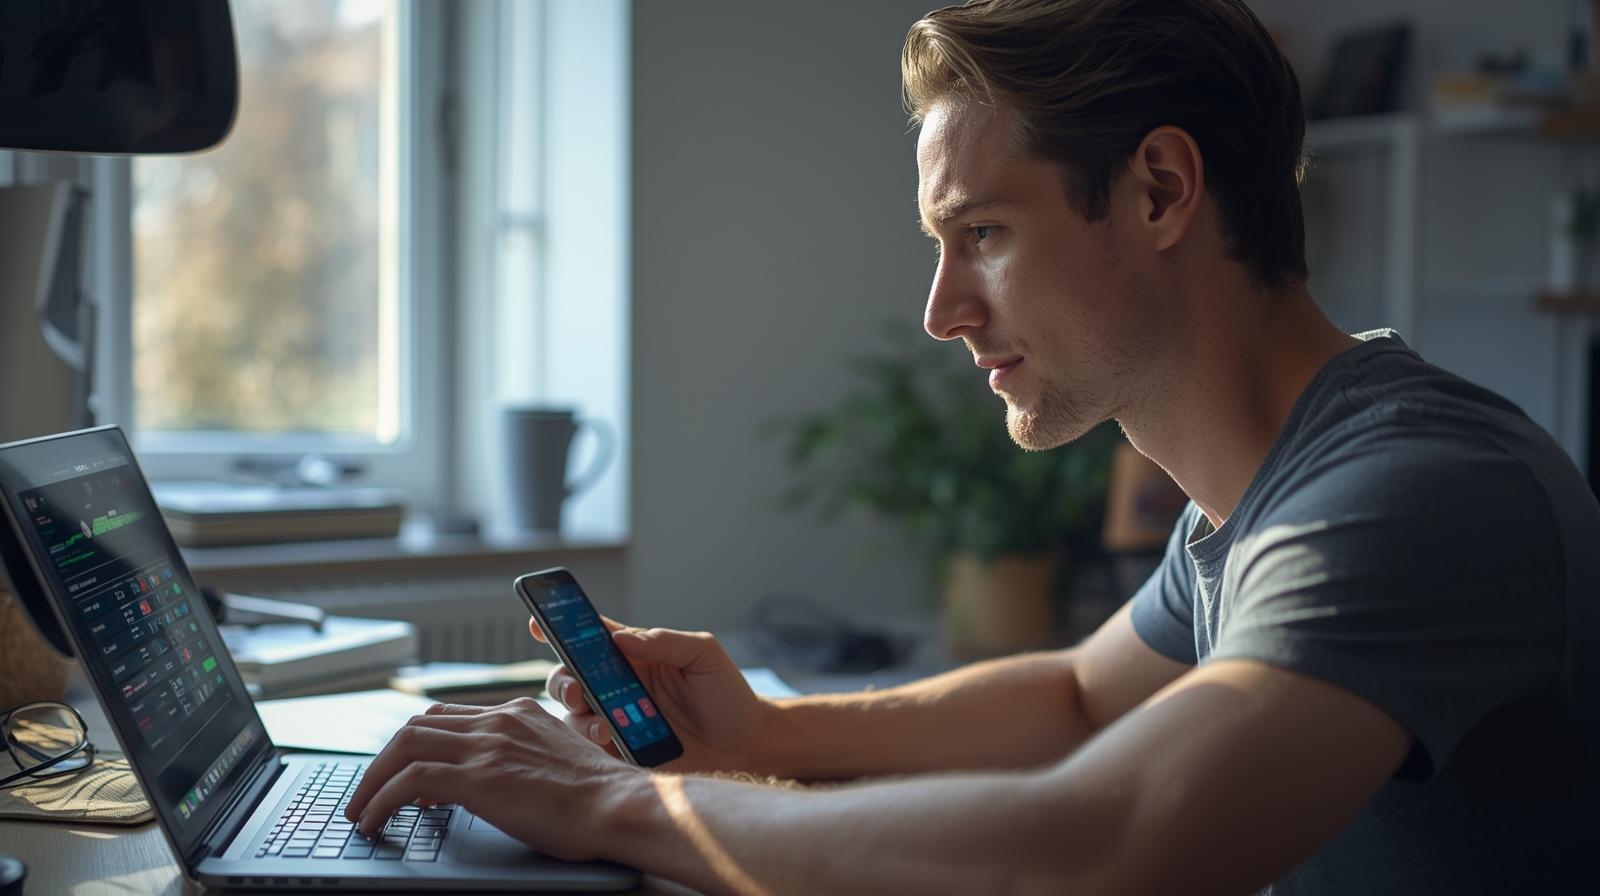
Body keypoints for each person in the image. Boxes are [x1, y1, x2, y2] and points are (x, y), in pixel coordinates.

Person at [345, 0, 1599, 892]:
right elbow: (1072, 699)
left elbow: (1105, 842)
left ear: (1161, 190)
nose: (944, 309)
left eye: (983, 232)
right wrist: (764, 736)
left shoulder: (1409, 494)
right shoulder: (1259, 501)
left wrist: (607, 801)